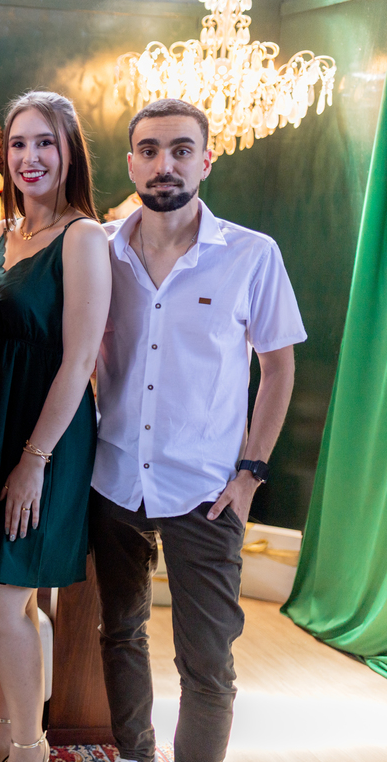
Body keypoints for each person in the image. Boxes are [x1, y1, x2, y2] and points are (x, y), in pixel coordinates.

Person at [91, 98, 304, 762]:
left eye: (181, 150)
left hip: (207, 490)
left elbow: (277, 369)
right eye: (150, 150)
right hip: (113, 478)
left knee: (208, 664)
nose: (165, 164)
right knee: (119, 632)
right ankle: (135, 754)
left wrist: (250, 474)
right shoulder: (99, 251)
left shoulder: (252, 254)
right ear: (131, 163)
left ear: (206, 161)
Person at [0, 91, 111, 762]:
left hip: (45, 437)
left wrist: (33, 460)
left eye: (45, 142)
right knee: (8, 600)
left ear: (70, 152)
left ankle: (31, 748)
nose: (29, 156)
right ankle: (1, 733)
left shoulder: (84, 237)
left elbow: (79, 359)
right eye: (19, 143)